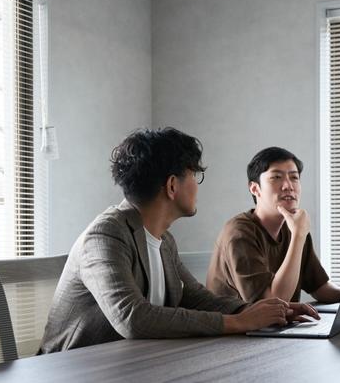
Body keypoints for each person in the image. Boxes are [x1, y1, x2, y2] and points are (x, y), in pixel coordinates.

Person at [39, 129, 317, 353]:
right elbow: (133, 318)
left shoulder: (164, 239)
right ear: (173, 186)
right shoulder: (105, 235)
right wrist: (237, 322)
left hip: (133, 363)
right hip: (74, 369)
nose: (197, 184)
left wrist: (268, 311)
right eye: (194, 175)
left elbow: (196, 297)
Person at [206, 147, 340, 304]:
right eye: (276, 177)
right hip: (238, 333)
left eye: (294, 177)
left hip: (277, 328)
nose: (288, 186)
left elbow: (319, 288)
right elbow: (272, 303)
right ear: (255, 189)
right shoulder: (239, 233)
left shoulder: (293, 227)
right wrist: (298, 235)